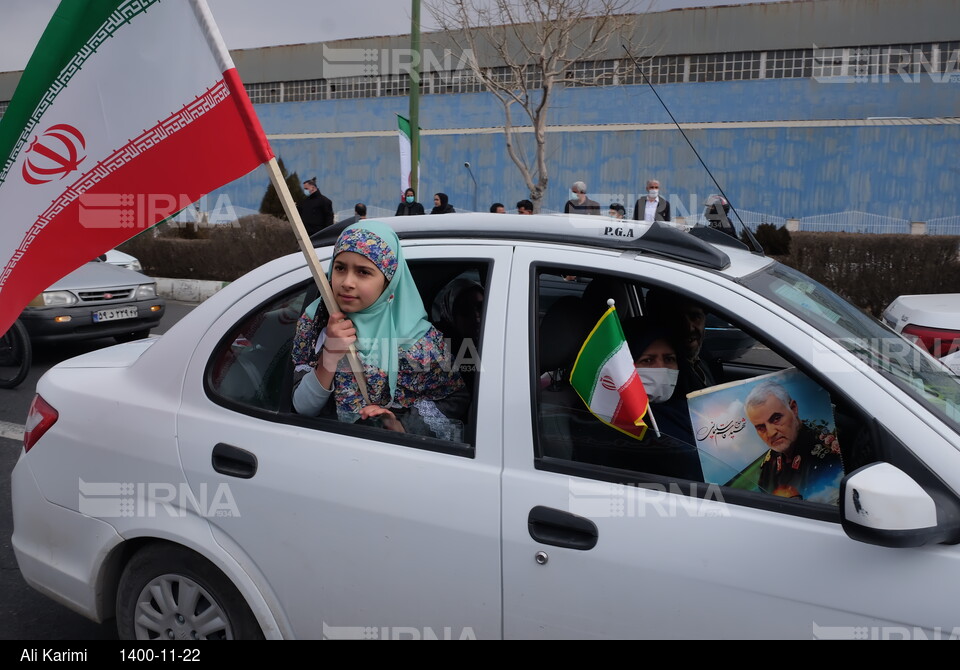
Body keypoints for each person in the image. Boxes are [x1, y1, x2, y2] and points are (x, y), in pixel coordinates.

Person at [291, 221, 468, 439]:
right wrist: (329, 356)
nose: (347, 282)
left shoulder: (420, 341)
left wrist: (402, 425)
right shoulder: (317, 323)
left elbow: (456, 399)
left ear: (389, 282)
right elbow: (303, 408)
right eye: (340, 268)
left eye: (363, 272)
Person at [744, 380, 844, 502]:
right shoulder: (769, 464)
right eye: (761, 427)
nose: (771, 433)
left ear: (793, 409)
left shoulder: (826, 454)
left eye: (776, 419)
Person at [644, 289, 721, 391]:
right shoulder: (666, 378)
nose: (688, 328)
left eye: (695, 317)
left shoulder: (703, 357)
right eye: (677, 319)